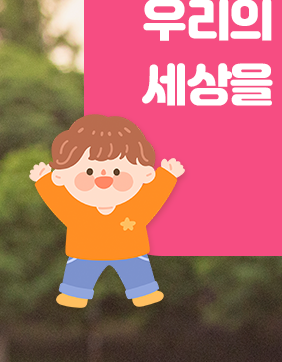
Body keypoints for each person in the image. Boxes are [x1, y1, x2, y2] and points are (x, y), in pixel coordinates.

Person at [29, 115, 185, 308]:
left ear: (145, 173)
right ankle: (75, 292)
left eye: (117, 171)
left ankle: (142, 290)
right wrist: (45, 181)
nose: (103, 179)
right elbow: (58, 201)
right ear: (62, 176)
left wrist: (166, 176)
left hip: (127, 249)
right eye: (89, 172)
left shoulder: (135, 207)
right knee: (80, 274)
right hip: (87, 251)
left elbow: (153, 197)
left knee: (136, 270)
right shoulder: (77, 210)